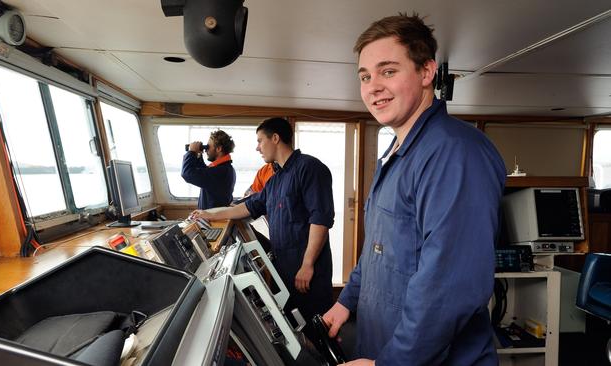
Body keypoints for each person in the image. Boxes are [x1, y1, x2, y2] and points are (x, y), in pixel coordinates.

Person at [322, 14, 506, 366]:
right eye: (365, 76)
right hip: (384, 346)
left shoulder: (454, 153)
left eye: (388, 71)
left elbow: (449, 288)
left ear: (426, 73)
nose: (372, 86)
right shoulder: (395, 154)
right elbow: (377, 252)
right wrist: (346, 302)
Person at [191, 117, 335, 337]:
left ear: (275, 138)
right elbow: (246, 207)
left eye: (260, 140)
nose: (257, 147)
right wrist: (208, 214)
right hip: (286, 268)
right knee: (298, 327)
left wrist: (307, 265)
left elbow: (321, 220)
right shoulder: (275, 181)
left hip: (308, 269)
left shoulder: (309, 168)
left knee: (321, 327)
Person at [181, 129, 236, 209]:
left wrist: (191, 152)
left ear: (218, 149)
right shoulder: (224, 169)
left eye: (208, 146)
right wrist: (198, 155)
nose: (206, 149)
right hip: (213, 217)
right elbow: (203, 173)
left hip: (215, 220)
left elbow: (187, 174)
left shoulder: (221, 171)